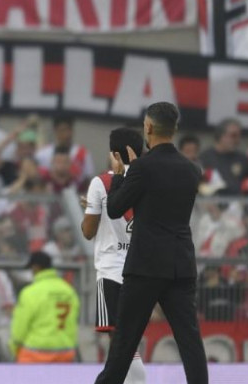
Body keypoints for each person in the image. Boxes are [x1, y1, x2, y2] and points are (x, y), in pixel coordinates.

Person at [94, 102, 207, 384]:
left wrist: (121, 174)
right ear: (175, 129)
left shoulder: (142, 168)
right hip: (181, 264)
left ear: (148, 127)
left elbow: (115, 208)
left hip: (145, 266)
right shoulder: (192, 169)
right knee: (190, 340)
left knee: (124, 341)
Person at [82, 127, 147, 383]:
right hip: (141, 270)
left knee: (120, 343)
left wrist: (89, 210)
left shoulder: (101, 182)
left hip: (111, 270)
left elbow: (88, 231)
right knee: (128, 341)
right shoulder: (148, 180)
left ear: (113, 153)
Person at [10, 251, 80, 363]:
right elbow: (73, 321)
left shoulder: (30, 292)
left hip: (34, 353)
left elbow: (20, 326)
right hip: (64, 353)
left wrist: (15, 348)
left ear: (35, 268)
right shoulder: (69, 291)